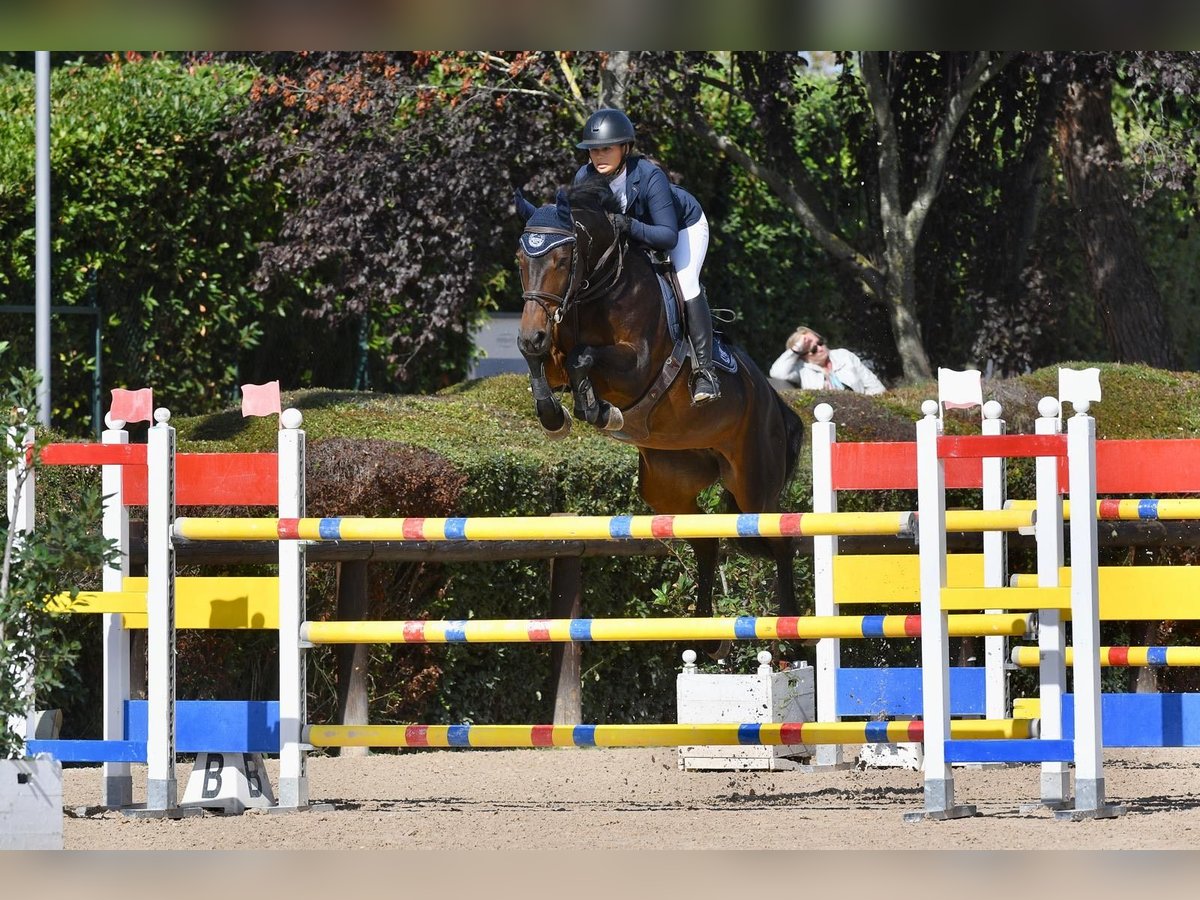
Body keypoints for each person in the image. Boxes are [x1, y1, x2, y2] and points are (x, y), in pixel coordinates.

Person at [516, 108, 719, 404]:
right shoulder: (584, 176)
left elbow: (666, 236)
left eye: (606, 149)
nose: (599, 157)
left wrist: (630, 225)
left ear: (625, 148)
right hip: (631, 233)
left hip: (682, 227)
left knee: (687, 283)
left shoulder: (650, 177)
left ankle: (705, 371)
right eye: (594, 150)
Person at [769, 325, 886, 395]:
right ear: (803, 355)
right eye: (813, 349)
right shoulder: (801, 369)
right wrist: (796, 348)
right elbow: (777, 373)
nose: (820, 348)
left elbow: (875, 387)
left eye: (820, 343)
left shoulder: (844, 356)